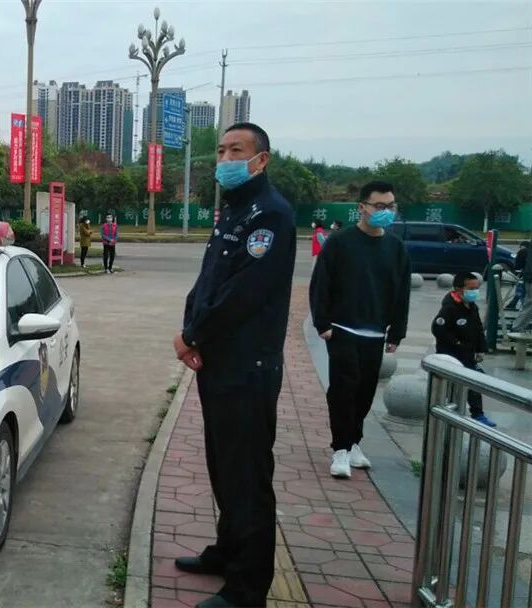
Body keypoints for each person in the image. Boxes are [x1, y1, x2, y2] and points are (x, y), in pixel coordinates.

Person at [173, 122, 296, 608]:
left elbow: (242, 295)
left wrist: (192, 335)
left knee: (247, 478)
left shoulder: (272, 215)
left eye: (236, 150)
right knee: (224, 468)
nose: (225, 159)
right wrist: (191, 327)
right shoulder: (235, 209)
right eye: (221, 150)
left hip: (248, 367)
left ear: (261, 160)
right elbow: (210, 279)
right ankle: (227, 552)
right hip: (220, 364)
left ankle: (247, 589)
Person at [309, 180, 411, 480]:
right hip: (342, 328)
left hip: (375, 332)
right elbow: (321, 283)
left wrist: (397, 332)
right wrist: (322, 323)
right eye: (379, 206)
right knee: (343, 388)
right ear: (362, 208)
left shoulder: (396, 248)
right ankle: (340, 448)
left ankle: (354, 442)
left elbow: (402, 292)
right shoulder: (340, 242)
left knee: (365, 391)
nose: (386, 211)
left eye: (390, 206)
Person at [432, 272, 496, 427]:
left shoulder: (472, 306)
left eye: (476, 288)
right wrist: (457, 342)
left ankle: (478, 414)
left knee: (474, 384)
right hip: (452, 355)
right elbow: (438, 328)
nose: (475, 291)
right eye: (471, 288)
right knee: (452, 386)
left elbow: (478, 329)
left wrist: (481, 348)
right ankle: (450, 412)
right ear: (459, 289)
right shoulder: (449, 308)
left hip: (468, 354)